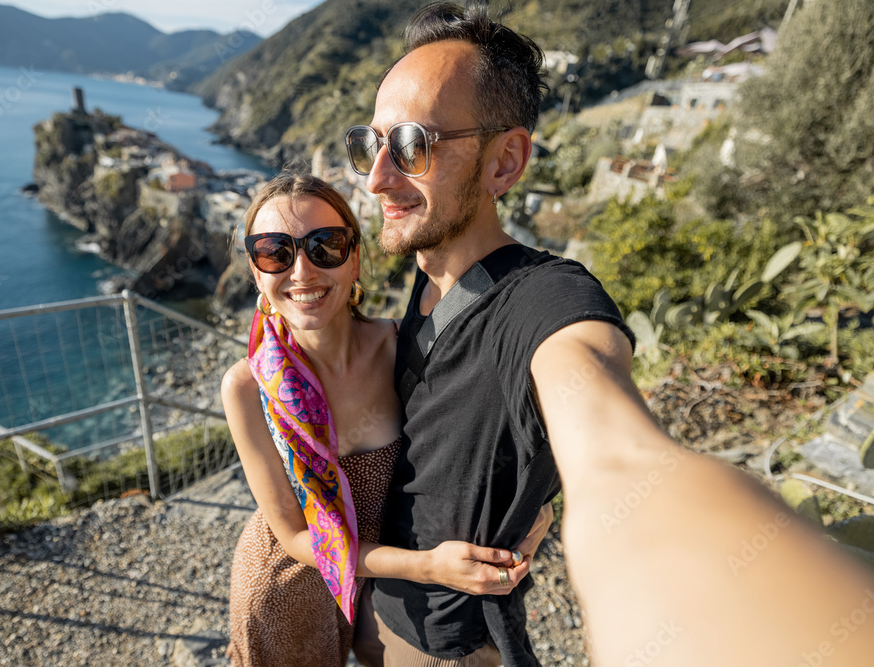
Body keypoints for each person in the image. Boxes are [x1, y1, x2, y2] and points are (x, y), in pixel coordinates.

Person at [345, 2, 874, 666]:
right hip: (379, 608)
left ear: (503, 163)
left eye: (411, 145)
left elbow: (617, 452)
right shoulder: (428, 277)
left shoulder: (546, 299)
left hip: (447, 647)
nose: (375, 177)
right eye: (369, 142)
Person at [221, 172, 542, 667]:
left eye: (324, 245)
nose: (302, 272)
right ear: (255, 269)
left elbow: (488, 430)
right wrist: (429, 567)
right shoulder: (247, 385)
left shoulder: (403, 348)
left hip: (382, 577)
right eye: (275, 251)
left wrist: (533, 508)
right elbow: (291, 535)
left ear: (354, 258)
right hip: (290, 581)